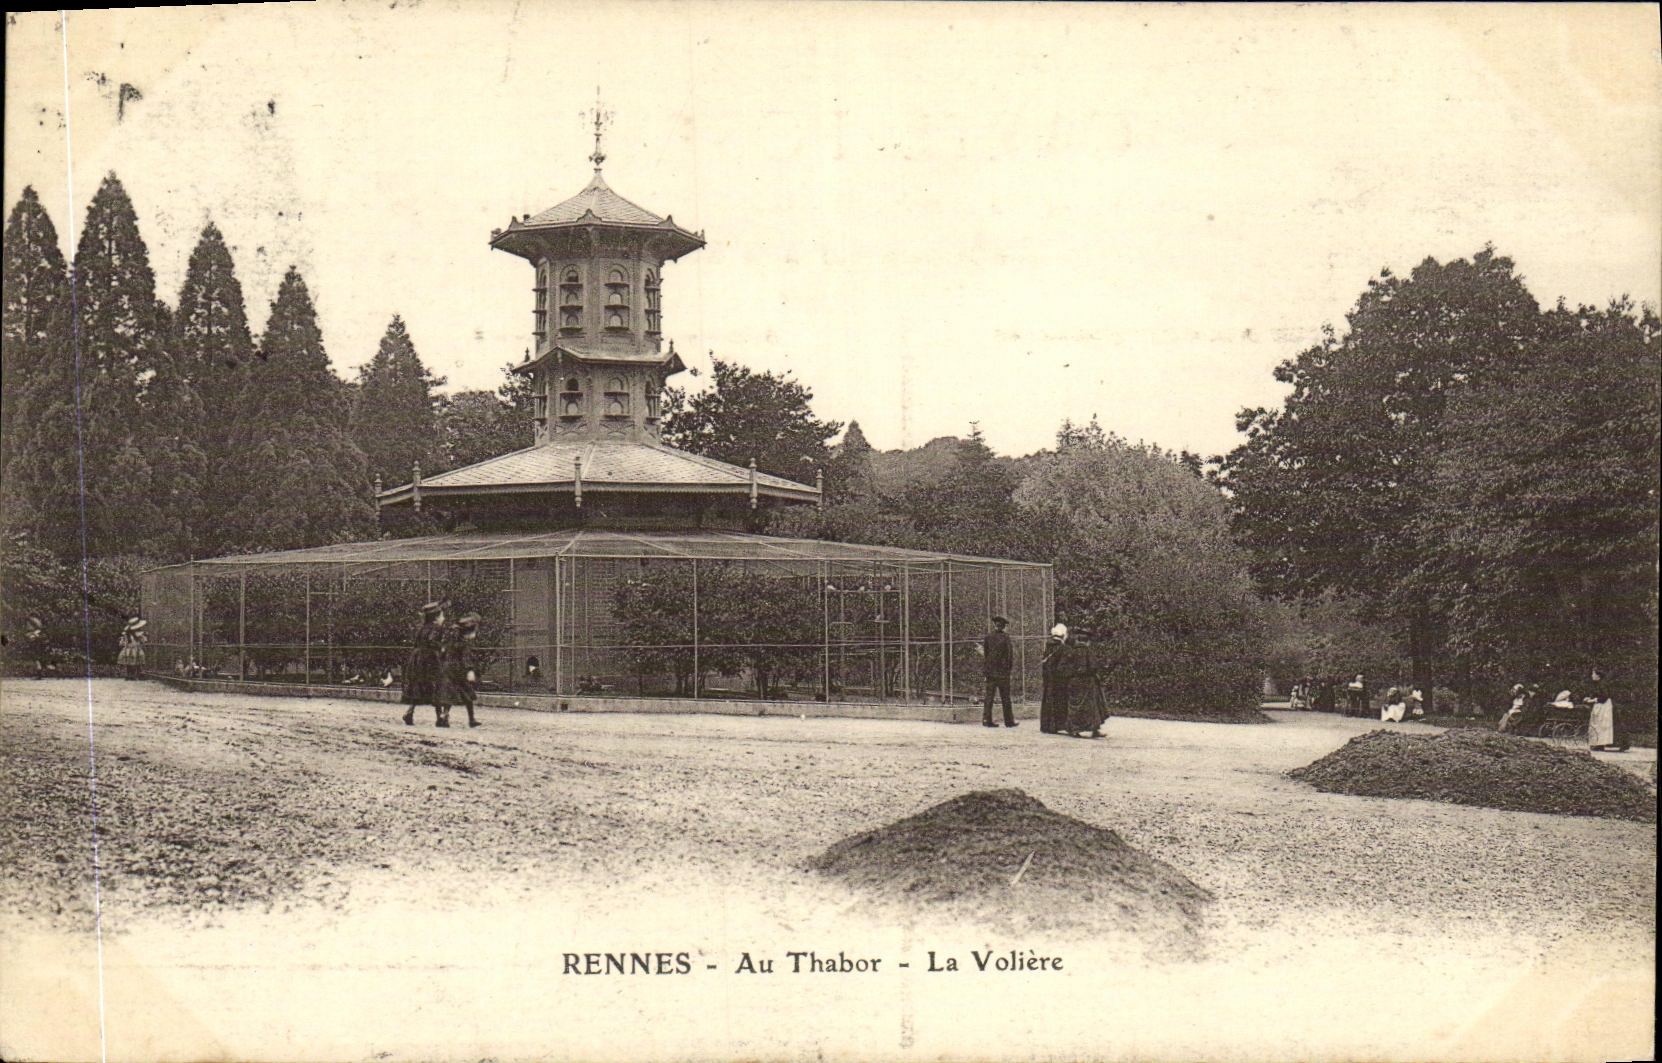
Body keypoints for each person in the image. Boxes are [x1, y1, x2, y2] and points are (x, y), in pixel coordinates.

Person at [401, 601, 447, 727]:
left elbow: (417, 643)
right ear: (436, 617)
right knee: (436, 686)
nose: (443, 618)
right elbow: (432, 643)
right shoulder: (437, 629)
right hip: (429, 659)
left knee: (419, 686)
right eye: (442, 615)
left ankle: (409, 712)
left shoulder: (422, 628)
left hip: (417, 659)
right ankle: (440, 718)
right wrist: (442, 649)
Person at [1066, 627, 1110, 739]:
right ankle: (1095, 729)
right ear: (1087, 641)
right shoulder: (1087, 651)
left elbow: (1065, 667)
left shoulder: (1070, 651)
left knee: (1075, 705)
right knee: (1093, 707)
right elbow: (1093, 666)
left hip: (1074, 681)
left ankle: (1074, 729)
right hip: (1087, 681)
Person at [443, 612, 483, 729]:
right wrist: (470, 670)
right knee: (468, 695)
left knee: (450, 695)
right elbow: (466, 657)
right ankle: (471, 719)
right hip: (460, 671)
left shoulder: (452, 639)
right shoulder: (463, 643)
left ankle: (445, 715)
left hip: (449, 669)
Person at [980, 615, 1017, 729]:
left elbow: (986, 654)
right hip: (1002, 672)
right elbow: (1009, 655)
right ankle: (1009, 721)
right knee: (1005, 697)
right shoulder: (1006, 637)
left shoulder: (988, 637)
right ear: (1003, 626)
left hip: (991, 671)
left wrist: (987, 669)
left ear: (995, 625)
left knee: (989, 697)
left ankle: (987, 719)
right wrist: (1008, 669)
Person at [1039, 624, 1071, 735]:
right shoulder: (1062, 647)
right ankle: (1056, 725)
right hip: (1058, 679)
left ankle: (1046, 725)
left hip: (1048, 678)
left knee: (1047, 700)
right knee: (1059, 701)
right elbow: (1063, 665)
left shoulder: (1048, 646)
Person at [1584, 669, 1627, 752]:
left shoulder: (1603, 684)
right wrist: (1590, 698)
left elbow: (1604, 696)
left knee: (1603, 725)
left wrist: (1593, 700)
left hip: (1604, 707)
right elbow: (1597, 694)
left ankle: (1600, 744)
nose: (1592, 676)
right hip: (1600, 705)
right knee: (1598, 724)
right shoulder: (1598, 684)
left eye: (1593, 674)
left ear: (1598, 676)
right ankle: (1598, 744)